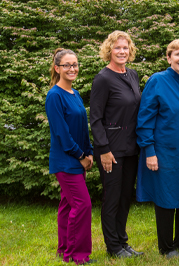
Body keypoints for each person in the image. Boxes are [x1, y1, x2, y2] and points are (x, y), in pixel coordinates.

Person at [136, 39, 179, 259]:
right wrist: (149, 151)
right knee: (166, 198)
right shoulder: (158, 81)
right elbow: (145, 119)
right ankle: (167, 247)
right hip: (165, 152)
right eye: (177, 54)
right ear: (169, 58)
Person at [90, 30, 143, 258]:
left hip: (131, 148)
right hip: (111, 150)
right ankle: (113, 247)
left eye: (125, 48)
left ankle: (123, 242)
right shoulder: (103, 78)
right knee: (112, 199)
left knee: (124, 198)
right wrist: (103, 150)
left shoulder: (132, 75)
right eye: (117, 47)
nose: (122, 51)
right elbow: (95, 118)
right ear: (109, 50)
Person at [45, 48, 95, 265]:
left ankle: (64, 248)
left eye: (75, 64)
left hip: (78, 157)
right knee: (82, 205)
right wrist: (81, 155)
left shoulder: (75, 94)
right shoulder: (54, 95)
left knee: (68, 205)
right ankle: (76, 255)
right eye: (67, 65)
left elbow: (82, 128)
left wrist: (90, 152)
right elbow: (62, 133)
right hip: (65, 160)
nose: (72, 68)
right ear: (57, 68)